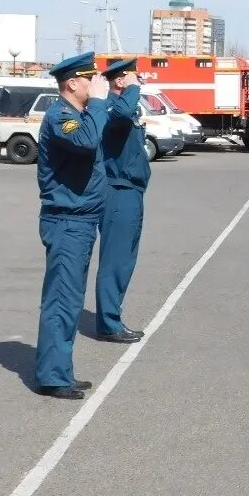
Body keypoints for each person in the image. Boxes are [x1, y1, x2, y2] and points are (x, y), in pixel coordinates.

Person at [34, 52, 110, 400]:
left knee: (70, 299)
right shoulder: (60, 117)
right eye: (89, 78)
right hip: (67, 222)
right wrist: (97, 103)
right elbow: (86, 142)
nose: (95, 84)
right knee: (62, 301)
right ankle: (52, 376)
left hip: (80, 220)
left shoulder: (78, 114)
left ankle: (60, 369)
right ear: (72, 83)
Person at [94, 59, 149, 344]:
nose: (138, 80)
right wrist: (132, 89)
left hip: (130, 189)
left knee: (125, 259)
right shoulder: (112, 106)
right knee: (115, 260)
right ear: (120, 80)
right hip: (117, 190)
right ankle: (108, 323)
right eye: (133, 76)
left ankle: (112, 315)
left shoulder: (121, 106)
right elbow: (125, 110)